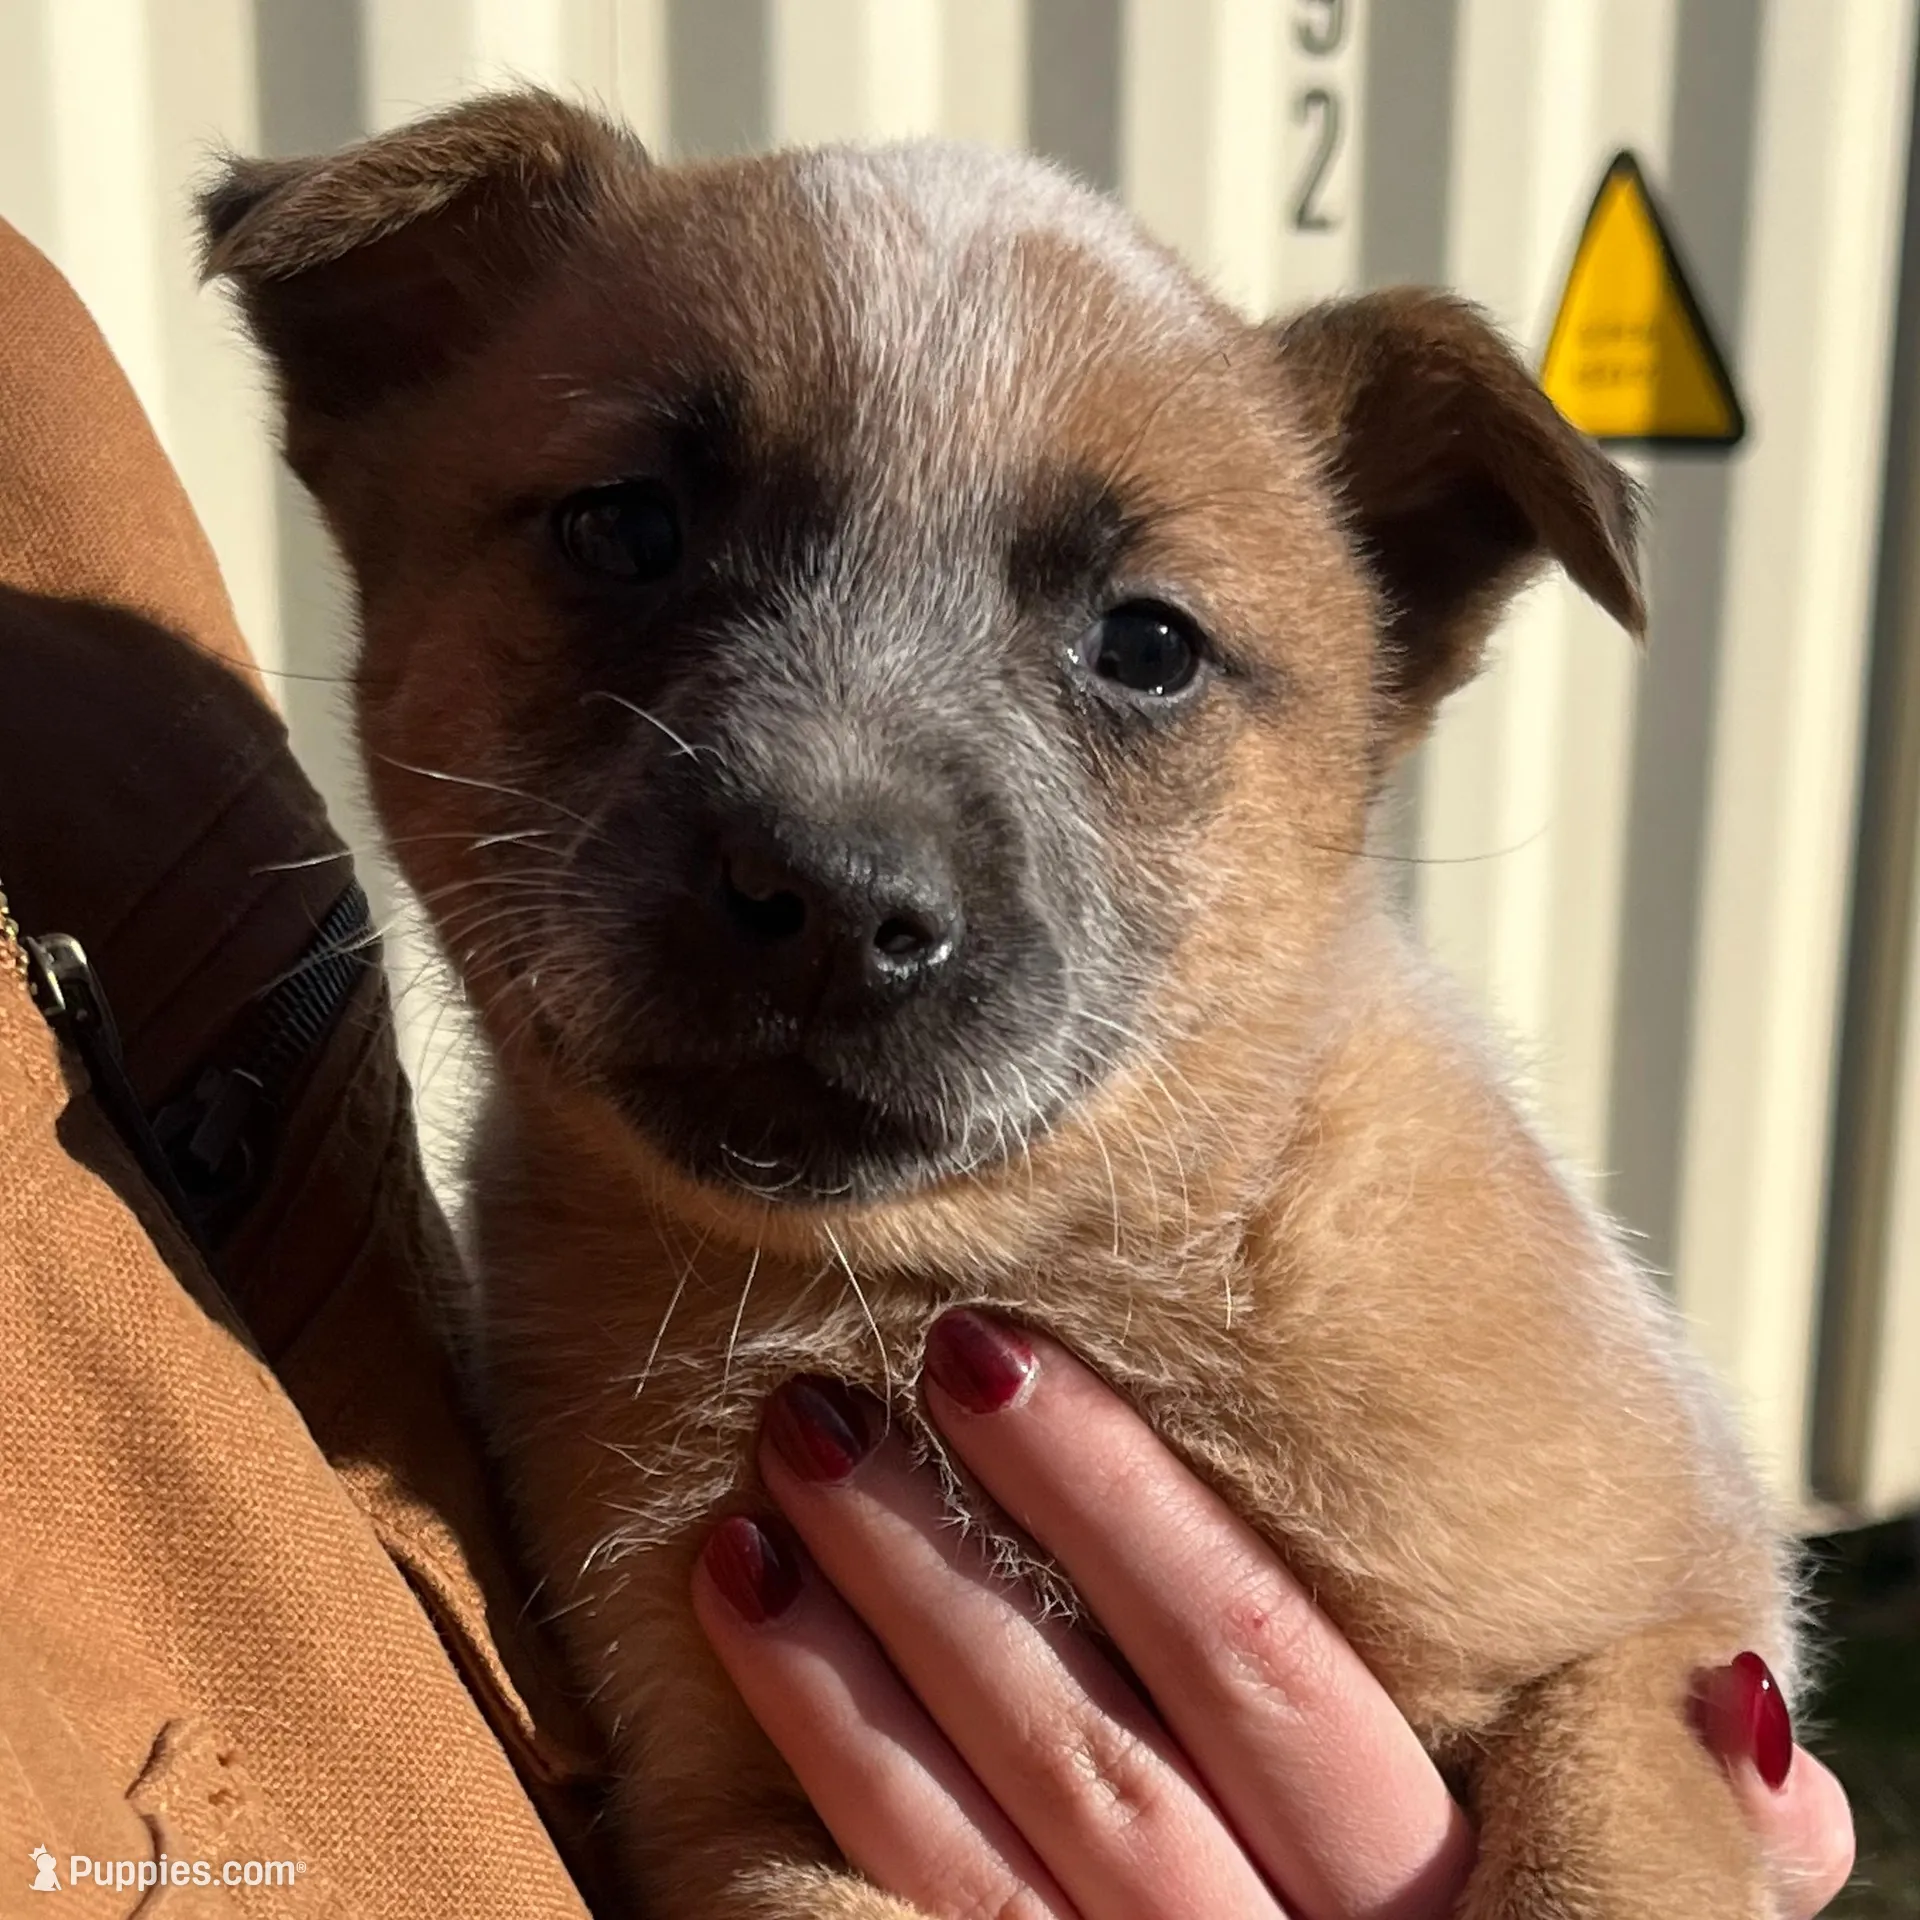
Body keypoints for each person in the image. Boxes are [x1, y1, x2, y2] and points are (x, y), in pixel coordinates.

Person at [0, 213, 1854, 1919]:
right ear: (383, 400)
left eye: (1141, 651)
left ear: (1398, 622)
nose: (832, 837)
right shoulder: (578, 1274)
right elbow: (741, 1839)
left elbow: (1638, 1654)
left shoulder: (1436, 1300)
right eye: (634, 536)